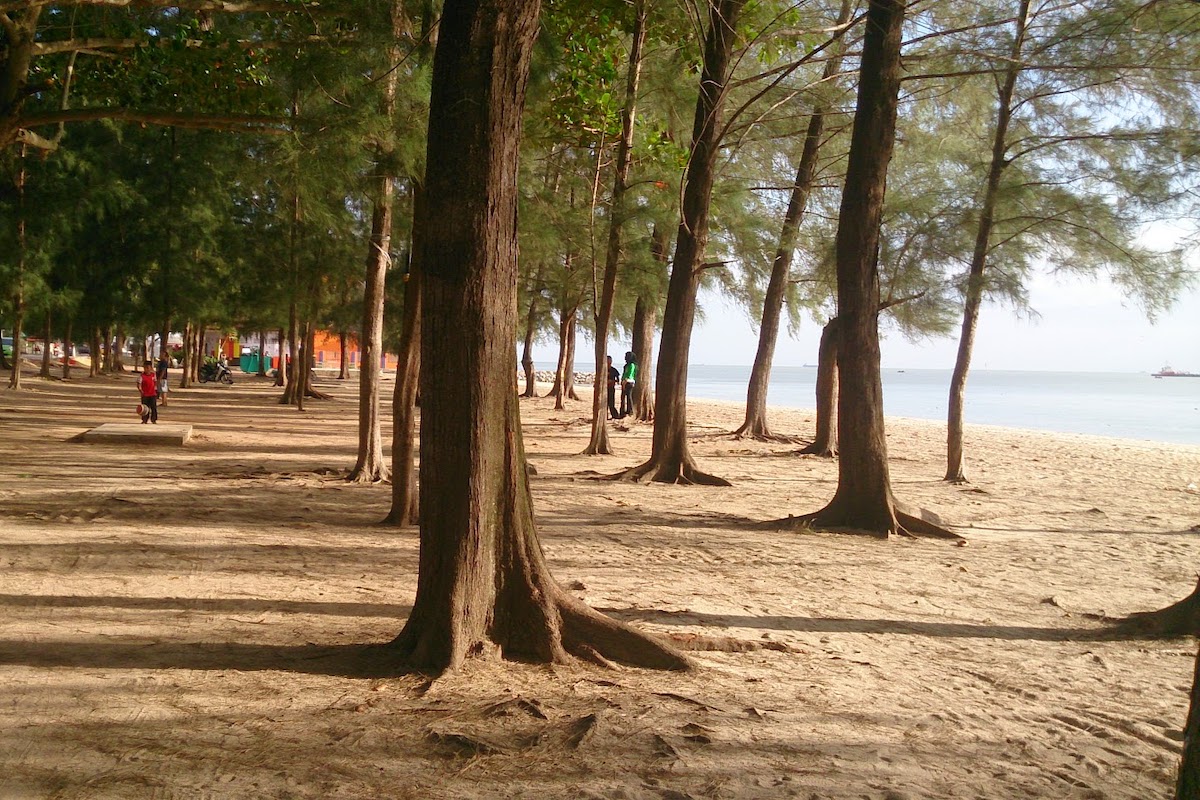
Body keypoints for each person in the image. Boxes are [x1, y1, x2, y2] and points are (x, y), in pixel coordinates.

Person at [138, 360, 159, 424]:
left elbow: (155, 382)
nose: (147, 369)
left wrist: (156, 389)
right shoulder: (142, 376)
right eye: (145, 368)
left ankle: (154, 419)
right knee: (145, 408)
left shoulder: (153, 375)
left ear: (151, 368)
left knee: (153, 407)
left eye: (148, 368)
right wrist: (141, 391)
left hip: (152, 394)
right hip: (145, 395)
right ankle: (144, 419)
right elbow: (139, 384)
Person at [620, 351, 637, 419]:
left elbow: (629, 375)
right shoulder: (626, 365)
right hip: (624, 381)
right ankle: (622, 411)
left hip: (629, 382)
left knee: (629, 397)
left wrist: (624, 382)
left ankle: (630, 410)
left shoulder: (632, 365)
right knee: (623, 397)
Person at [606, 355, 620, 420]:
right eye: (607, 360)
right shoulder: (603, 369)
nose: (608, 362)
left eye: (609, 360)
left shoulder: (614, 370)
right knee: (604, 404)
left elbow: (618, 380)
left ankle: (615, 416)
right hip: (604, 389)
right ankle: (604, 416)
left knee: (611, 403)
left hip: (611, 388)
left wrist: (612, 381)